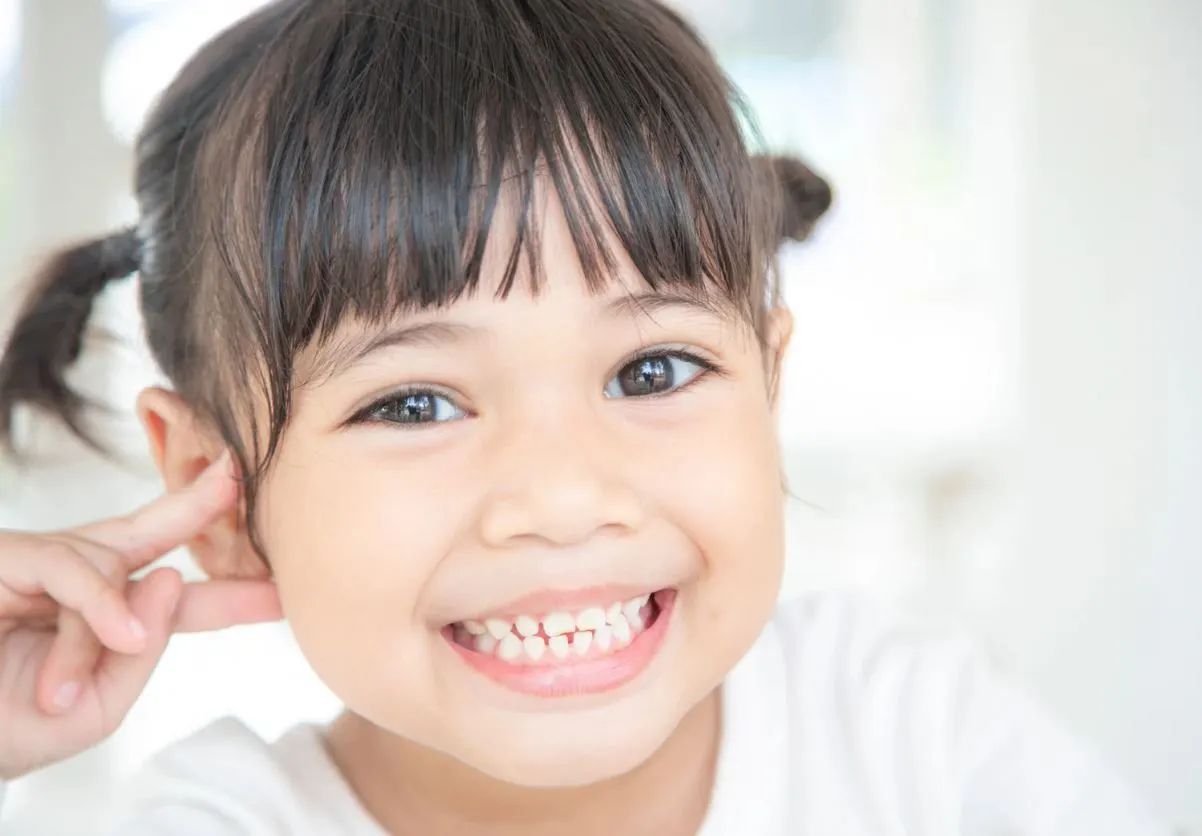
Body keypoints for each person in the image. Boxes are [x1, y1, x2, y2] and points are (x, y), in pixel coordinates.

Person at [0, 0, 1172, 833]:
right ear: (222, 485)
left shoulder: (904, 728)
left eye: (652, 371)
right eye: (413, 400)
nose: (562, 494)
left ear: (769, 384)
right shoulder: (220, 819)